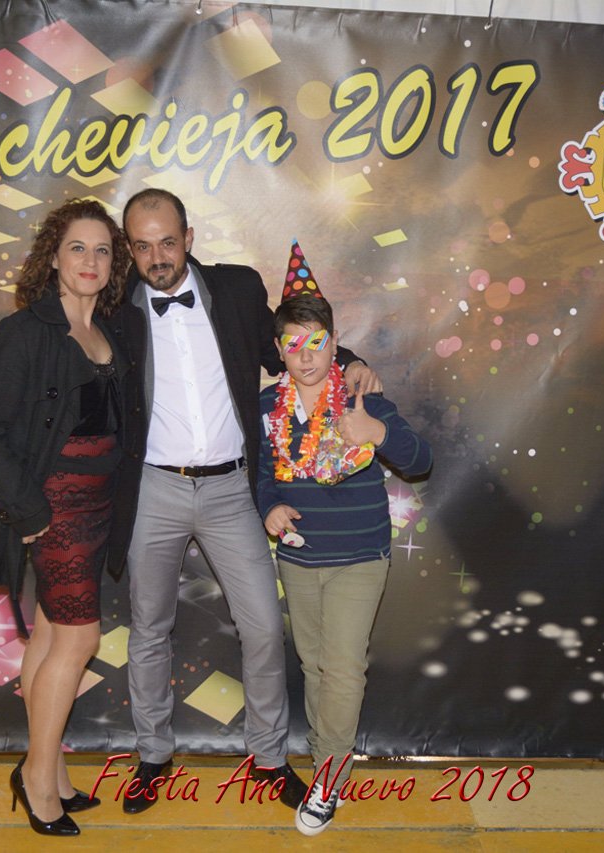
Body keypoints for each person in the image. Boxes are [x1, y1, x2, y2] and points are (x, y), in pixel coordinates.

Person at [106, 189, 381, 814]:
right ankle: (153, 754)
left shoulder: (235, 288)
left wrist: (351, 361)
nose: (157, 257)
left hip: (232, 488)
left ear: (189, 237)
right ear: (129, 249)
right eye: (143, 246)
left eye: (168, 242)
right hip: (153, 487)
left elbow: (286, 347)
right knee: (148, 629)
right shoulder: (114, 310)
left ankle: (269, 758)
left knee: (261, 627)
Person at [0, 199, 132, 837]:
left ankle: (49, 770)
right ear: (53, 258)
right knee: (79, 640)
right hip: (54, 509)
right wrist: (30, 510)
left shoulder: (107, 330)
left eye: (102, 250)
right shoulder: (25, 331)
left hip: (98, 508)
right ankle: (38, 781)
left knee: (49, 637)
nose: (91, 261)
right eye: (77, 248)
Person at [256, 248, 432, 836]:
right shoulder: (266, 408)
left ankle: (329, 778)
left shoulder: (362, 399)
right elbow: (260, 475)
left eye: (317, 342)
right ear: (278, 349)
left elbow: (420, 459)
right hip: (300, 556)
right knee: (315, 664)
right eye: (293, 345)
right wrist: (269, 506)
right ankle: (324, 756)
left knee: (345, 668)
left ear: (336, 345)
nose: (306, 356)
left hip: (360, 555)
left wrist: (376, 431)